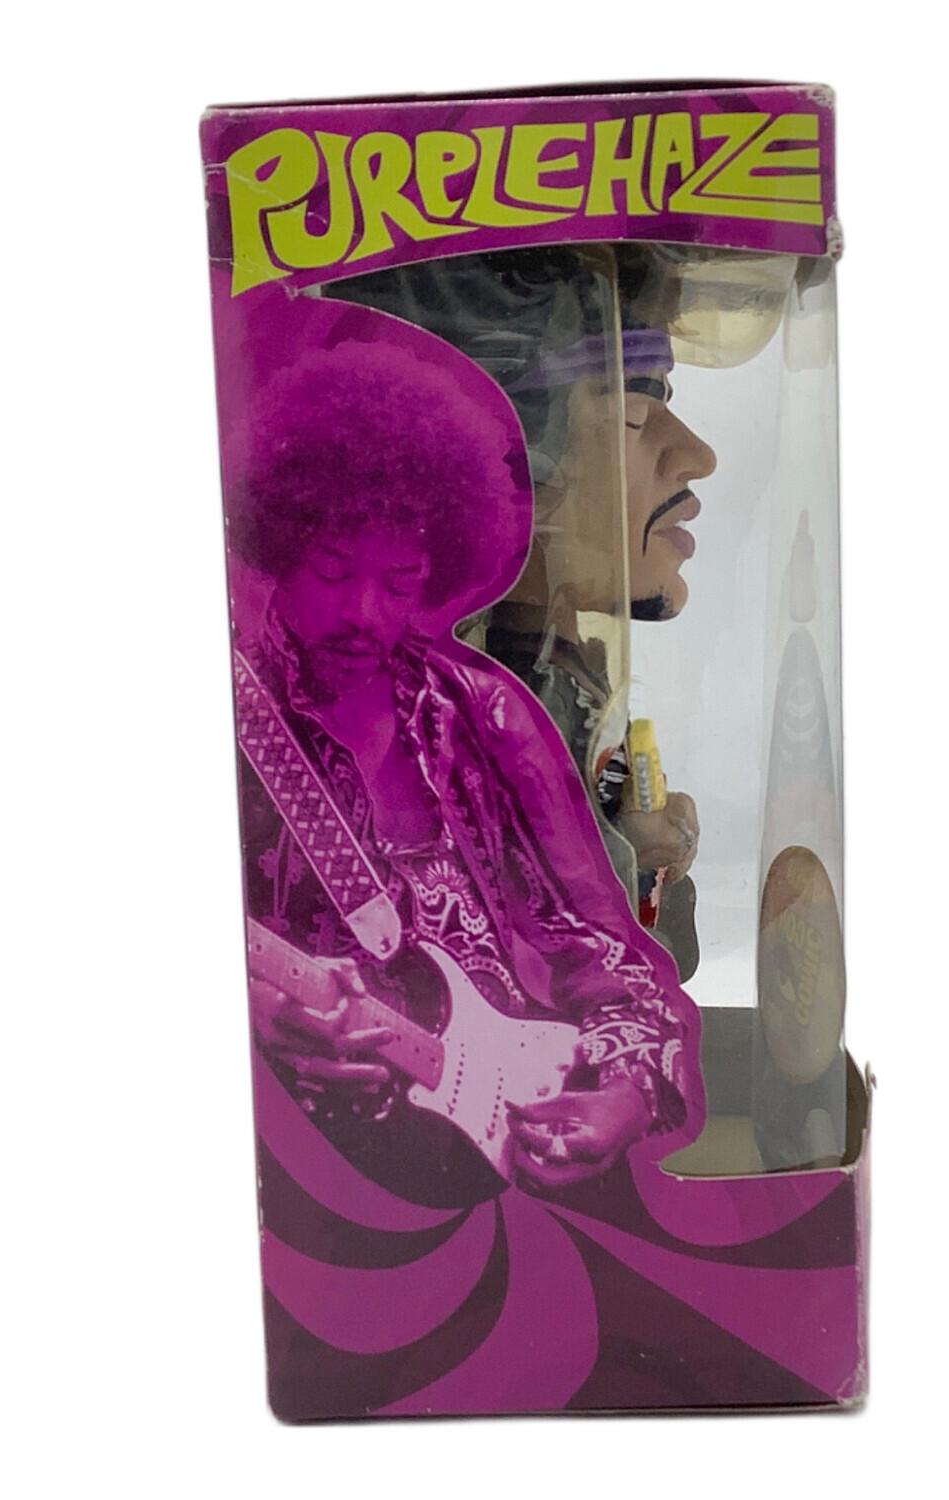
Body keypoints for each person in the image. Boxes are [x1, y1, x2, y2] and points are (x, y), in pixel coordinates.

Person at [228, 325, 698, 1203]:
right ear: (281, 546)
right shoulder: (230, 719)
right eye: (332, 570)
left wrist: (627, 1094)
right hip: (293, 1191)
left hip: (508, 1186)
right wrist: (264, 1030)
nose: (364, 613)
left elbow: (601, 948)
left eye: (400, 581)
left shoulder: (481, 715)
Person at [333, 246, 718, 974]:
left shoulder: (547, 673)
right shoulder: (479, 714)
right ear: (512, 463)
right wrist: (639, 858)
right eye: (636, 417)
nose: (698, 456)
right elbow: (571, 955)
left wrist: (631, 832)